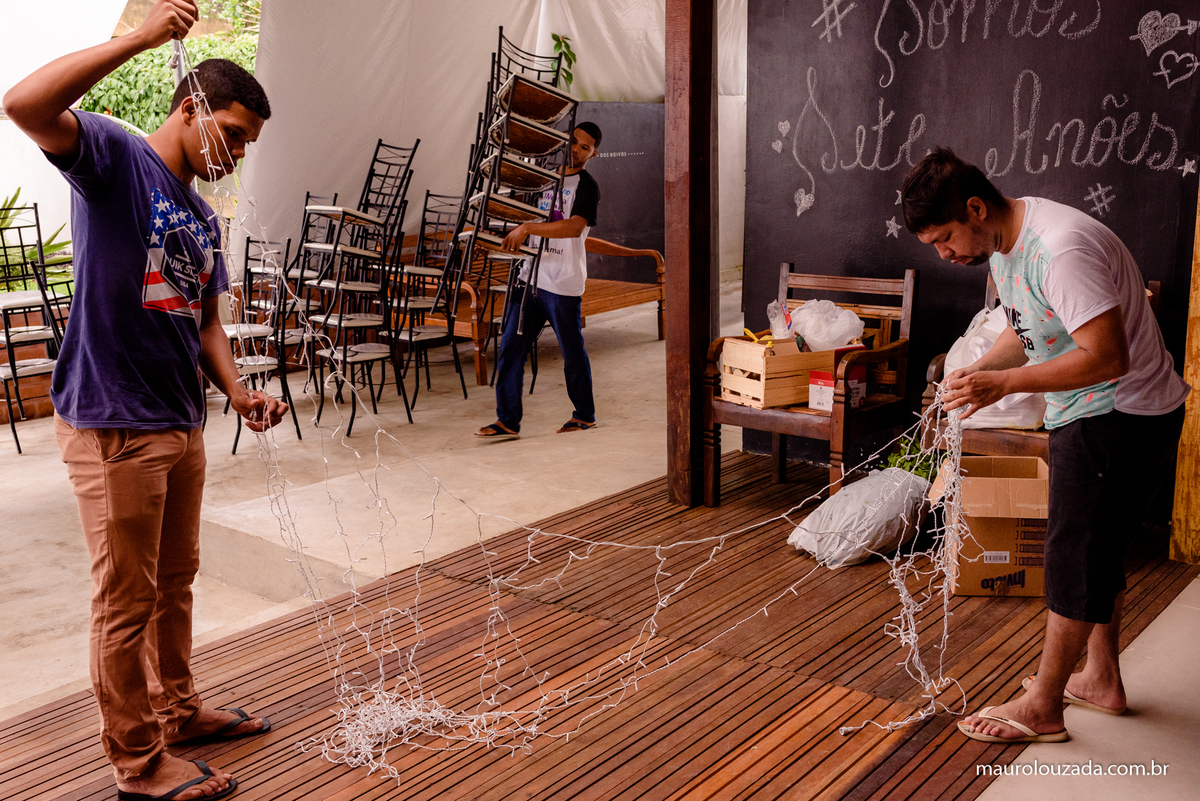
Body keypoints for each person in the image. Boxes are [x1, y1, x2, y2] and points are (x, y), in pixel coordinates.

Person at [3, 2, 286, 798]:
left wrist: (239, 391)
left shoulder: (199, 214)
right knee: (125, 602)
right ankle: (138, 761)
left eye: (248, 143)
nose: (236, 152)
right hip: (114, 423)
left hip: (178, 423)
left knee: (173, 584)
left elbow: (206, 323)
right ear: (190, 107)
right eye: (232, 133)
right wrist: (138, 38)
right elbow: (23, 104)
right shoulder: (117, 159)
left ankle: (178, 711)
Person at [901, 147, 1189, 744]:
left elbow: (1108, 358)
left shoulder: (1060, 250)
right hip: (1095, 410)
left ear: (975, 208)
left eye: (945, 238)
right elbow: (1030, 323)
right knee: (1096, 548)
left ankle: (1043, 706)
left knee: (1072, 556)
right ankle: (1101, 677)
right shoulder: (1008, 243)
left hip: (1119, 415)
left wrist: (1005, 384)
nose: (944, 254)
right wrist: (980, 370)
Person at [476, 122, 603, 439]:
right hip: (529, 277)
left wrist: (528, 228)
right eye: (574, 141)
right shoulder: (541, 180)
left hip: (562, 283)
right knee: (510, 347)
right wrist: (491, 240)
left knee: (571, 353)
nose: (576, 149)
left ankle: (584, 415)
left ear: (593, 154)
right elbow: (520, 221)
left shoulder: (587, 186)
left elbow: (574, 227)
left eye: (585, 147)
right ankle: (507, 420)